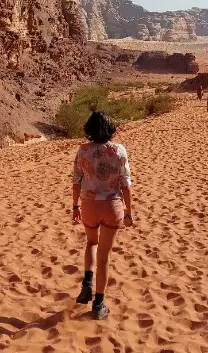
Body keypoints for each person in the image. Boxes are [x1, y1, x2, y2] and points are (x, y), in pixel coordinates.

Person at [72, 111, 134, 320]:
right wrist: (129, 211)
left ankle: (87, 281)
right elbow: (125, 184)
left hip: (89, 204)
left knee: (91, 243)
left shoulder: (83, 151)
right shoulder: (119, 150)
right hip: (111, 205)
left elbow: (76, 181)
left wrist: (74, 206)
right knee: (104, 257)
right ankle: (99, 304)